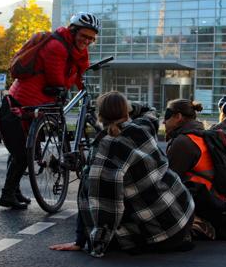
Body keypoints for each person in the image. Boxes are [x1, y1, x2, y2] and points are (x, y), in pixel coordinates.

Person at [51, 91, 195, 257]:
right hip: (184, 214)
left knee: (90, 187)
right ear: (127, 112)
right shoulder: (142, 126)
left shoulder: (105, 152)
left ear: (99, 117)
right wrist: (129, 106)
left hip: (164, 235)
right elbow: (150, 110)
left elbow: (107, 207)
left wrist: (87, 242)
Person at [0, 12, 100, 209]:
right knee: (21, 153)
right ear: (73, 31)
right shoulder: (57, 47)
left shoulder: (72, 49)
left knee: (24, 151)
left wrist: (79, 84)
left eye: (91, 38)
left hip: (37, 105)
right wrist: (71, 82)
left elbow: (74, 72)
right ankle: (7, 194)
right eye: (84, 36)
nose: (87, 41)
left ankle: (14, 191)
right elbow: (56, 81)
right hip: (21, 104)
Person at [164, 99, 226, 241]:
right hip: (216, 204)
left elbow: (166, 182)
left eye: (167, 116)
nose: (163, 122)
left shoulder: (184, 142)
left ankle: (197, 222)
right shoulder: (201, 135)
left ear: (178, 117)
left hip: (203, 204)